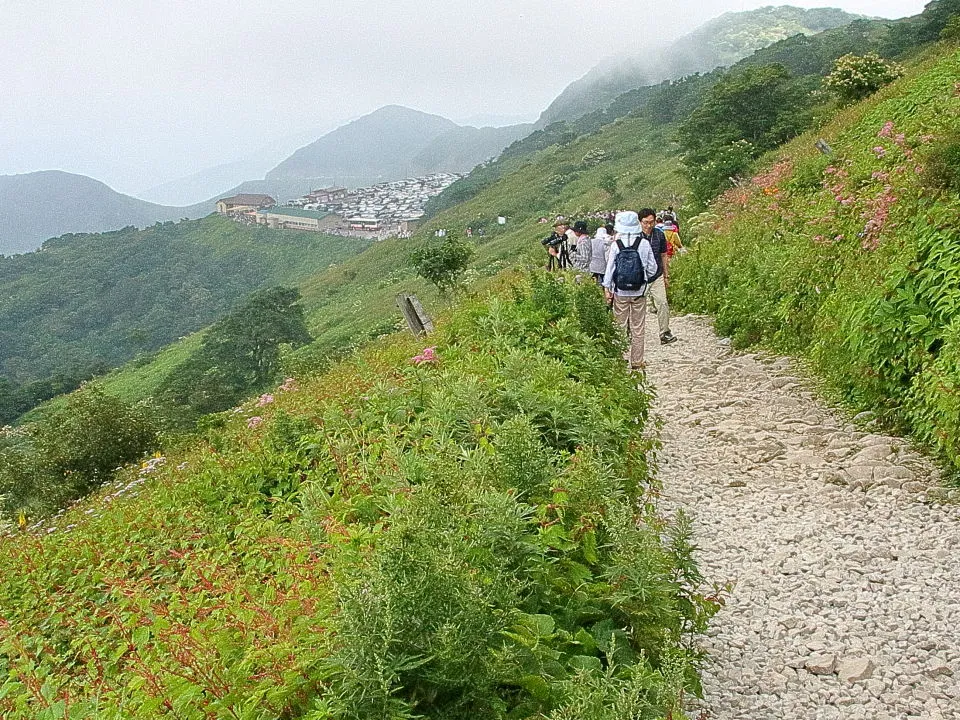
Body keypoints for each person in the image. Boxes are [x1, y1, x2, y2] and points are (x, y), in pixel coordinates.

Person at [603, 211, 658, 370]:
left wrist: (608, 289)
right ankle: (637, 361)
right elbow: (653, 269)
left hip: (620, 292)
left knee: (619, 326)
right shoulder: (644, 244)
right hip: (639, 292)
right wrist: (643, 277)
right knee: (638, 327)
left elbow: (610, 269)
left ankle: (620, 360)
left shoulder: (616, 244)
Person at [639, 208, 677, 345]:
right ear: (640, 222)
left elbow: (663, 255)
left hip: (657, 275)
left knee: (662, 303)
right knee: (638, 306)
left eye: (651, 222)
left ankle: (665, 332)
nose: (648, 225)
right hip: (640, 277)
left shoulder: (659, 235)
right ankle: (633, 334)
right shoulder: (635, 236)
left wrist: (666, 275)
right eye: (645, 222)